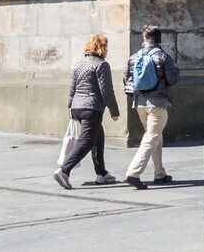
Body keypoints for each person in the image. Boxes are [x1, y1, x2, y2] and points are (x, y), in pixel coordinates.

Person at [53, 35, 120, 188]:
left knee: (98, 137)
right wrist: (114, 110)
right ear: (101, 49)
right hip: (92, 107)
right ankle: (64, 171)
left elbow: (72, 88)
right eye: (106, 48)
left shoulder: (79, 65)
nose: (107, 51)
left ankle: (101, 173)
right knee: (87, 140)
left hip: (77, 107)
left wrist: (70, 107)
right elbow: (107, 91)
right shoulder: (102, 65)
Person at [122, 25, 178, 189]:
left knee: (155, 136)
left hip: (139, 103)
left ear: (145, 39)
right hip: (157, 103)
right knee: (150, 138)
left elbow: (127, 80)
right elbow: (172, 80)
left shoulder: (134, 57)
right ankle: (133, 172)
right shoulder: (163, 57)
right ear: (159, 39)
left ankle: (159, 173)